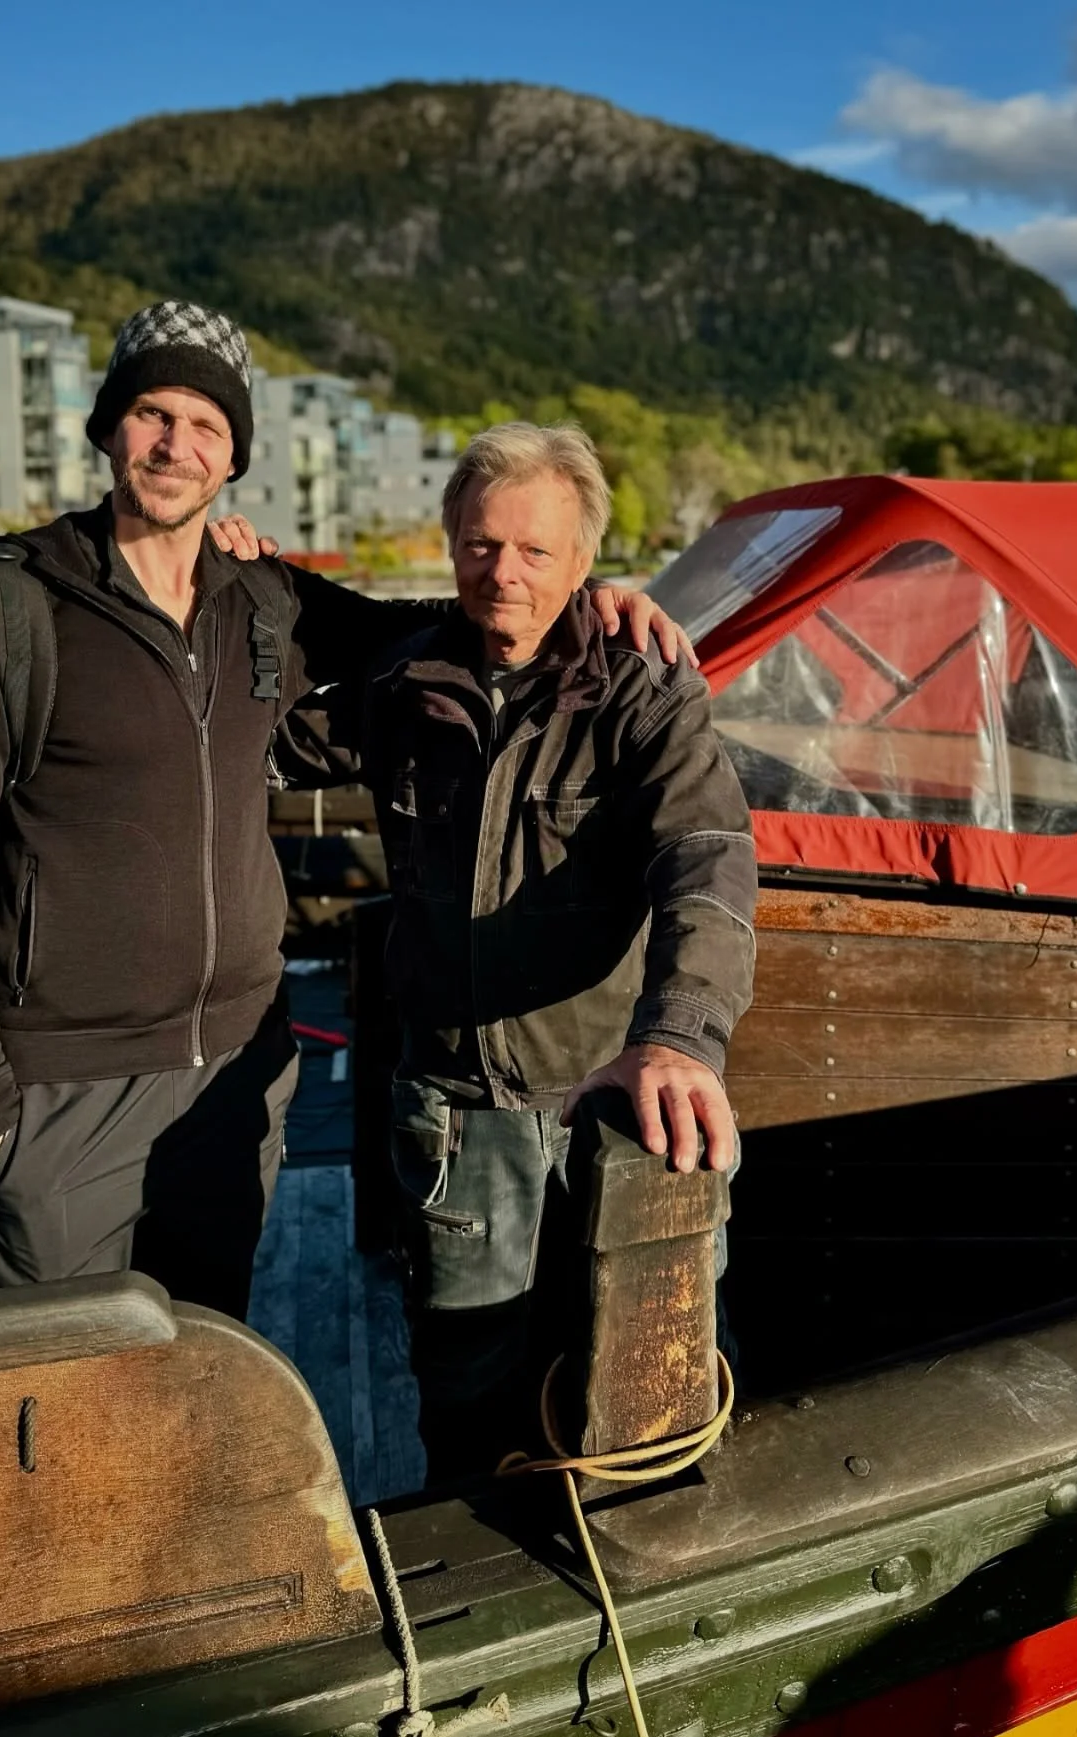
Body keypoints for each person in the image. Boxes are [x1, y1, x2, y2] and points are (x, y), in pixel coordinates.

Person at [0, 301, 691, 1320]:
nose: (176, 445)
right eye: (153, 414)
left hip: (236, 1079)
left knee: (206, 1373)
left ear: (233, 459)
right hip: (59, 1092)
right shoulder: (6, 610)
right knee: (41, 1417)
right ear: (107, 428)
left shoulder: (265, 602)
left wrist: (590, 596)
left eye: (206, 426)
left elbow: (457, 621)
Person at [280, 422, 757, 1479]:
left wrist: (681, 1034)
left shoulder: (645, 689)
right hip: (458, 1108)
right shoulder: (401, 680)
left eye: (537, 552)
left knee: (647, 1373)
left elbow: (707, 855)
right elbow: (254, 717)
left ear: (587, 563)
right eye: (481, 545)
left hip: (608, 1092)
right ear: (451, 546)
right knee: (466, 1383)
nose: (505, 576)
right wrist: (234, 565)